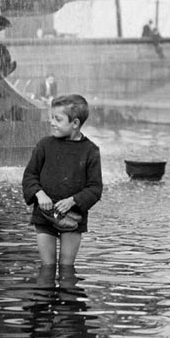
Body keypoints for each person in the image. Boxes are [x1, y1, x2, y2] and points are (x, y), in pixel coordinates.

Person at [22, 94, 103, 268]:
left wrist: (73, 201)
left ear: (75, 123)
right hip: (44, 215)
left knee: (66, 267)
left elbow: (95, 188)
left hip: (73, 218)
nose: (52, 122)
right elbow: (29, 176)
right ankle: (45, 293)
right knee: (47, 266)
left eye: (58, 119)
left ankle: (67, 293)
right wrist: (40, 193)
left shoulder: (90, 151)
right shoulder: (44, 145)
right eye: (51, 118)